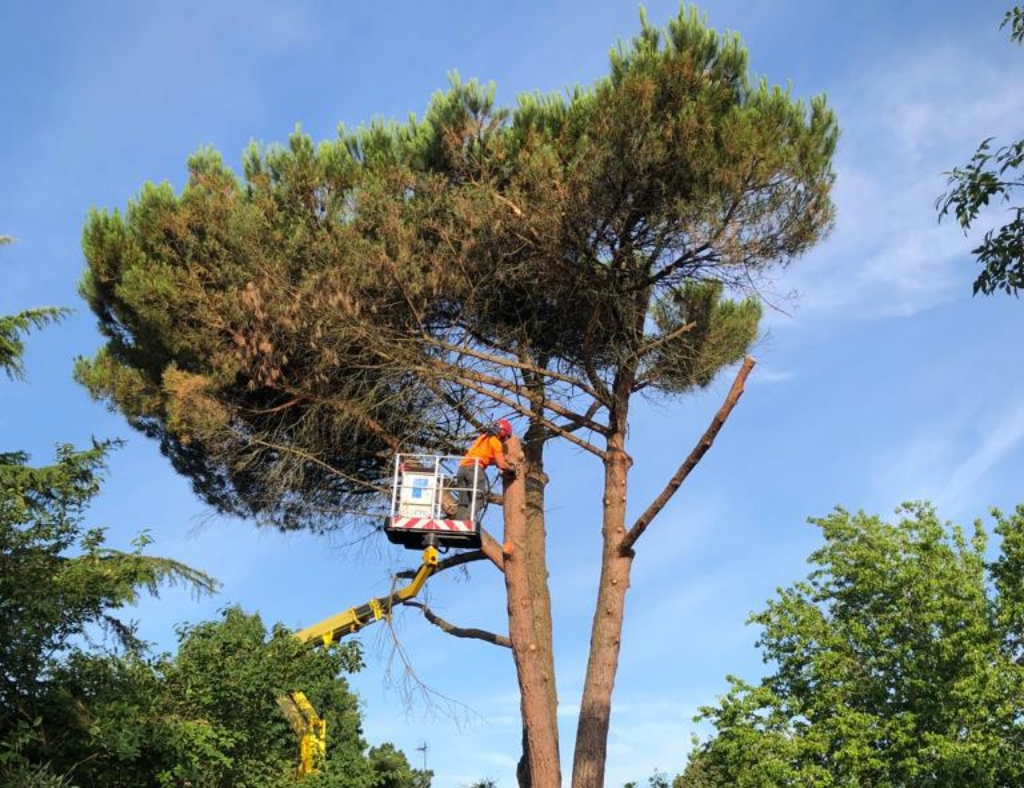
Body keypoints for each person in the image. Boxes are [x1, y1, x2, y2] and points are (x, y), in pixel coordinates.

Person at [454, 418, 514, 521]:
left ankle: (459, 523)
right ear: (503, 432)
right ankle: (467, 520)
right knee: (479, 498)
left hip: (462, 469)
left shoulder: (482, 438)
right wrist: (512, 470)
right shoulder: (496, 442)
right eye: (506, 437)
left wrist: (495, 462)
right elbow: (502, 465)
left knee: (464, 501)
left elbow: (484, 457)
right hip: (474, 469)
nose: (505, 440)